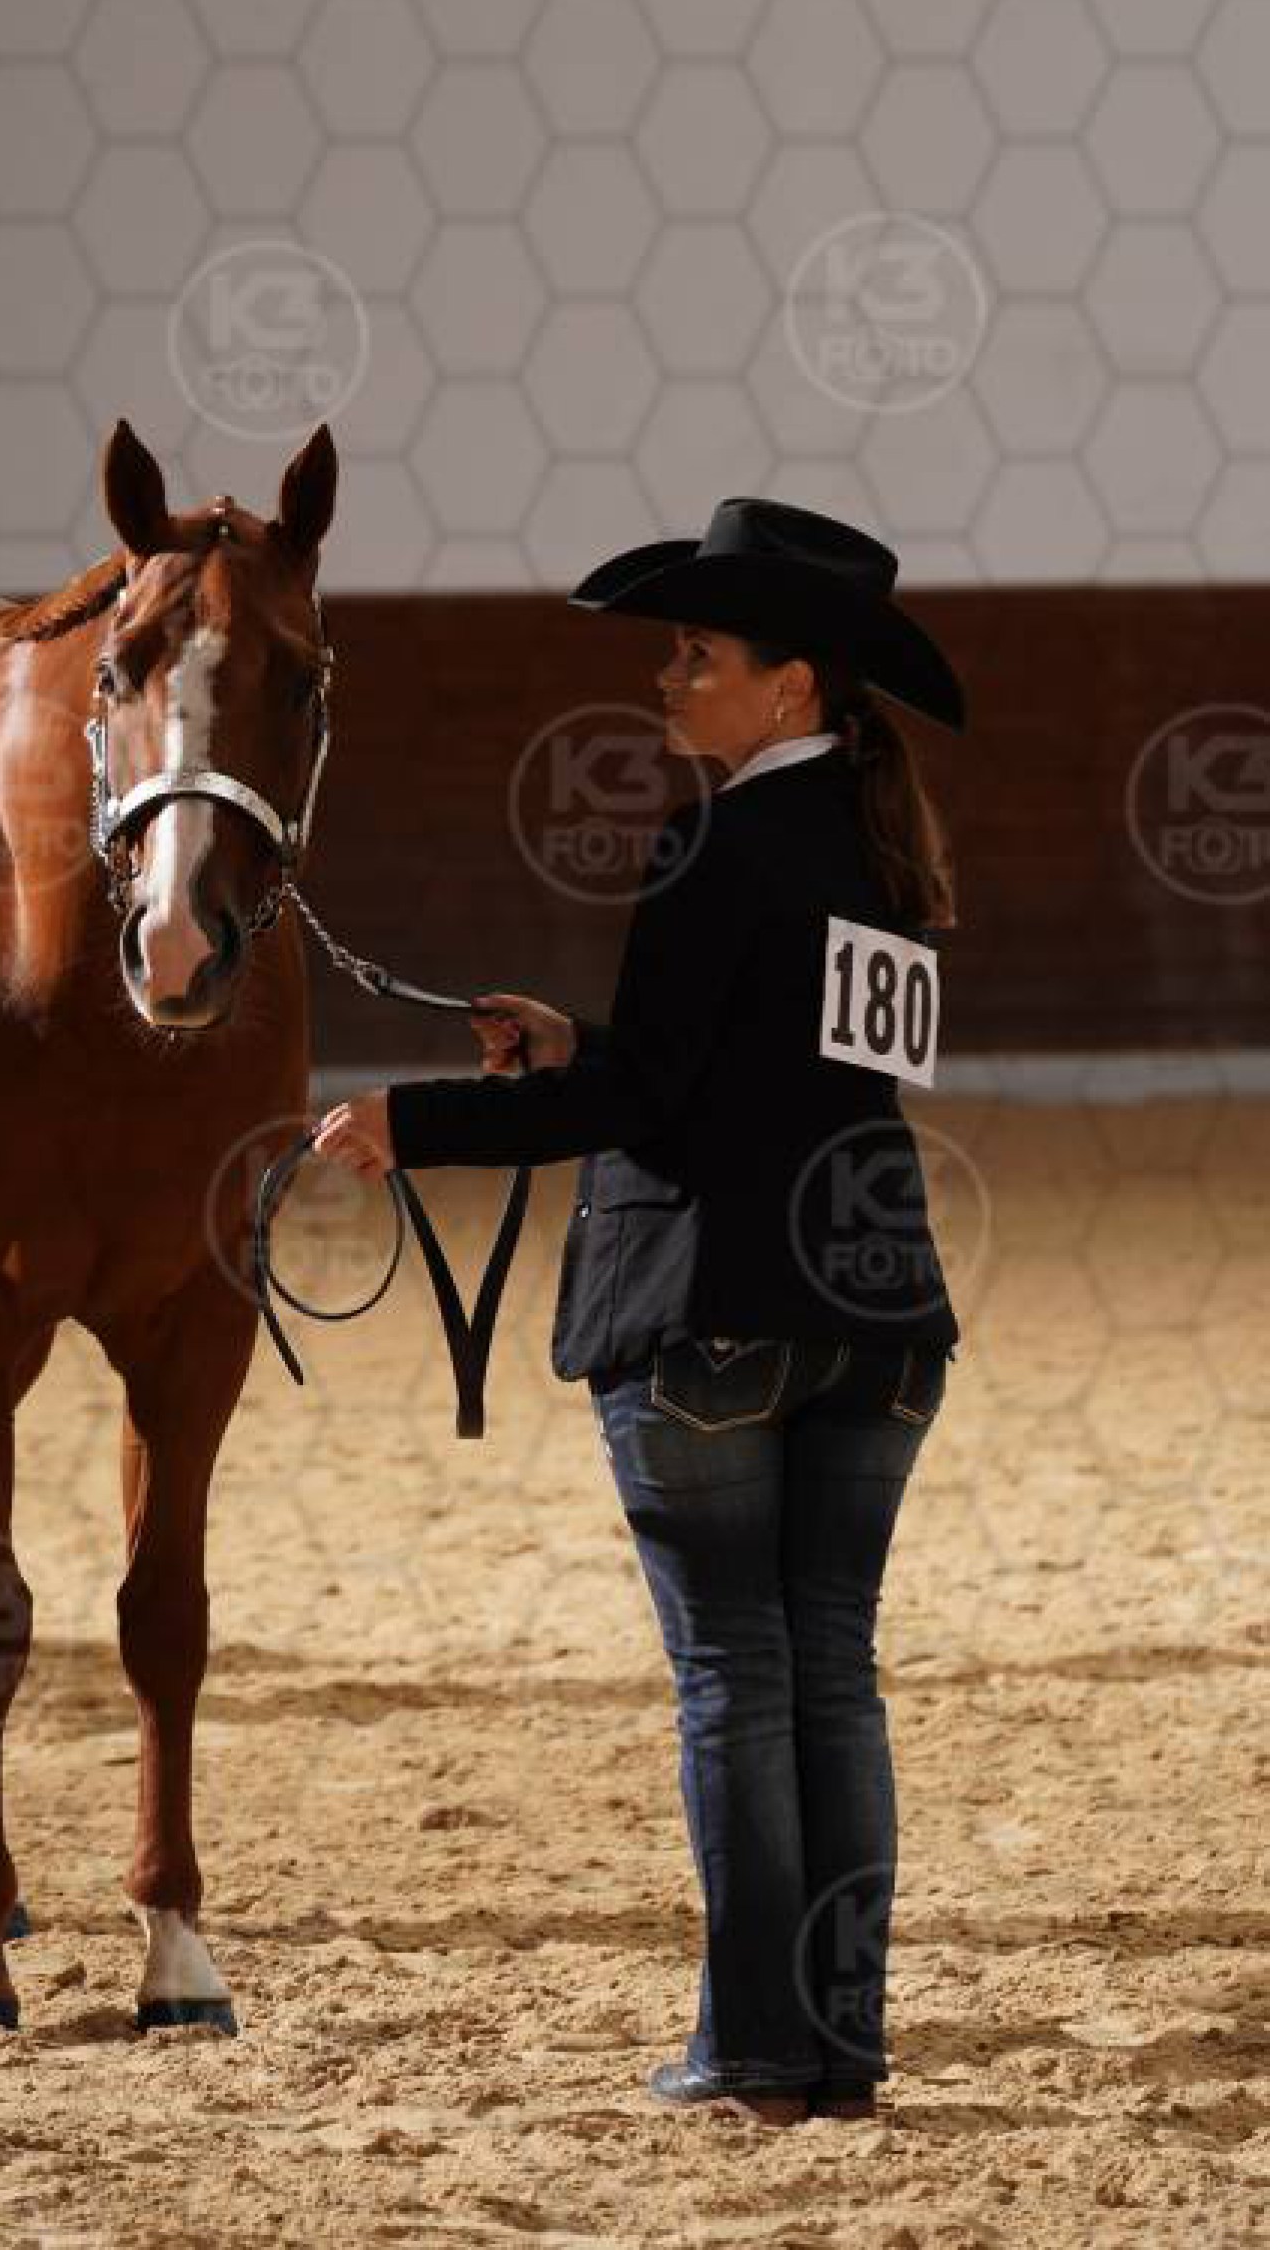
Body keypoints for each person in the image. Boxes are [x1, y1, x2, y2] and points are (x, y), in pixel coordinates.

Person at [313, 497, 966, 2130]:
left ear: (791, 686)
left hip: (712, 1314)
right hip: (877, 1311)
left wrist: (412, 1122)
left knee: (737, 1679)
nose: (670, 677)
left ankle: (753, 2051)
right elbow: (767, 1079)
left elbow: (660, 1105)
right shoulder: (882, 851)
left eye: (699, 653)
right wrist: (581, 1044)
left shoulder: (712, 845)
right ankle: (838, 2045)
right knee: (833, 1678)